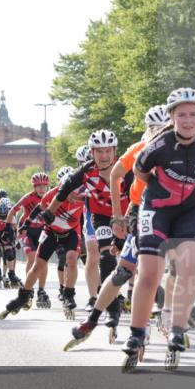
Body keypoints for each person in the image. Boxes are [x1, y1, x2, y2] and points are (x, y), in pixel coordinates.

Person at [121, 88, 195, 372]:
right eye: (181, 115)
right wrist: (160, 186)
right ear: (172, 117)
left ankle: (177, 330)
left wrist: (193, 181)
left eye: (193, 114)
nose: (188, 120)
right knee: (150, 273)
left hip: (189, 210)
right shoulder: (158, 144)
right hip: (156, 208)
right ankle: (136, 333)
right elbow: (140, 172)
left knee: (189, 268)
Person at [66, 105, 168, 350]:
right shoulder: (139, 149)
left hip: (172, 214)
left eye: (166, 129)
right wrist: (118, 217)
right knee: (122, 269)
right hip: (140, 212)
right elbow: (115, 176)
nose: (161, 133)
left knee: (172, 266)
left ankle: (169, 314)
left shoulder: (188, 148)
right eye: (155, 130)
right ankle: (93, 319)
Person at [50, 129, 130, 316]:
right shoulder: (85, 171)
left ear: (114, 151)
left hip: (124, 214)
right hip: (95, 214)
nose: (103, 156)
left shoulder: (124, 168)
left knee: (129, 256)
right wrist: (49, 211)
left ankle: (120, 293)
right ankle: (95, 297)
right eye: (98, 152)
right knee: (95, 255)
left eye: (107, 151)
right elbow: (63, 192)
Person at [1, 166, 85, 320]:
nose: (72, 196)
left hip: (72, 232)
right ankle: (23, 296)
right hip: (51, 232)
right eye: (68, 191)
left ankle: (68, 295)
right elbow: (37, 210)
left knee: (72, 260)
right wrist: (25, 225)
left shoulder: (83, 194)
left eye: (75, 191)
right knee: (38, 265)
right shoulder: (51, 195)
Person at [10, 172, 51, 307]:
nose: (41, 189)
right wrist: (9, 228)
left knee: (43, 261)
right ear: (33, 187)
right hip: (27, 231)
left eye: (44, 186)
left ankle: (41, 290)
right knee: (32, 257)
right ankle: (29, 287)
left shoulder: (51, 197)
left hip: (42, 230)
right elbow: (12, 211)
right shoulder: (28, 198)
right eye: (38, 186)